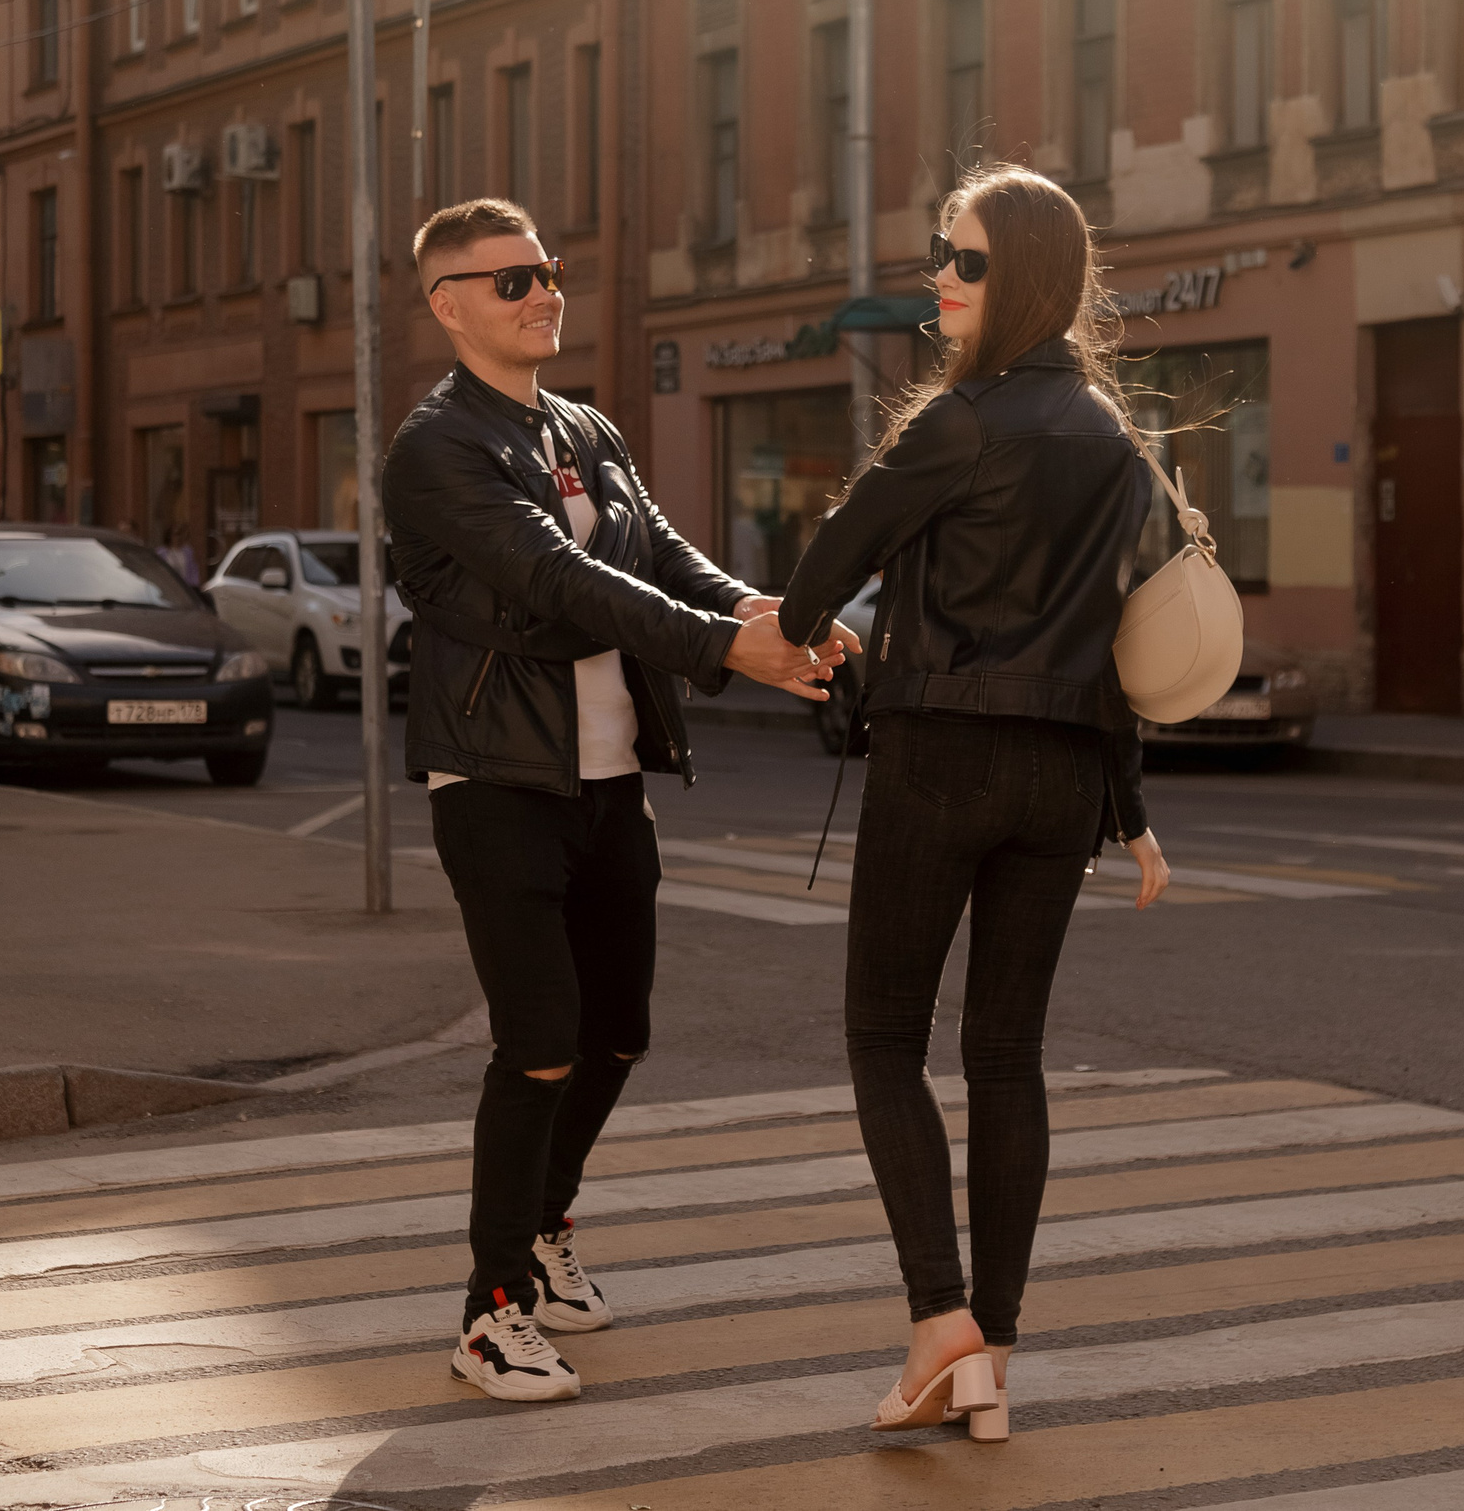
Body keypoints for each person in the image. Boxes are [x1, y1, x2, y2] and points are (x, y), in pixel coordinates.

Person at [383, 197, 847, 1402]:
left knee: (618, 1033)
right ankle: (490, 1313)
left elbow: (659, 555)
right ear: (448, 306)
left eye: (548, 271)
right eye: (513, 280)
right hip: (498, 783)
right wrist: (726, 651)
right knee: (538, 1043)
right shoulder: (437, 448)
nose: (544, 292)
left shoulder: (583, 428)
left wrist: (765, 613)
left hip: (609, 779)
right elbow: (557, 578)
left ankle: (545, 1226)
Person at [777, 164, 1172, 1443]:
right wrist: (1127, 807)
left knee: (884, 1040)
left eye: (967, 261)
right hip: (1064, 777)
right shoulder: (1113, 438)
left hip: (940, 755)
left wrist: (806, 631)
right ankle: (991, 1350)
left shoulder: (956, 423)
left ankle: (939, 1319)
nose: (941, 279)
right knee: (1007, 1057)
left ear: (1028, 281)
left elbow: (819, 577)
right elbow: (1123, 643)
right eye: (939, 255)